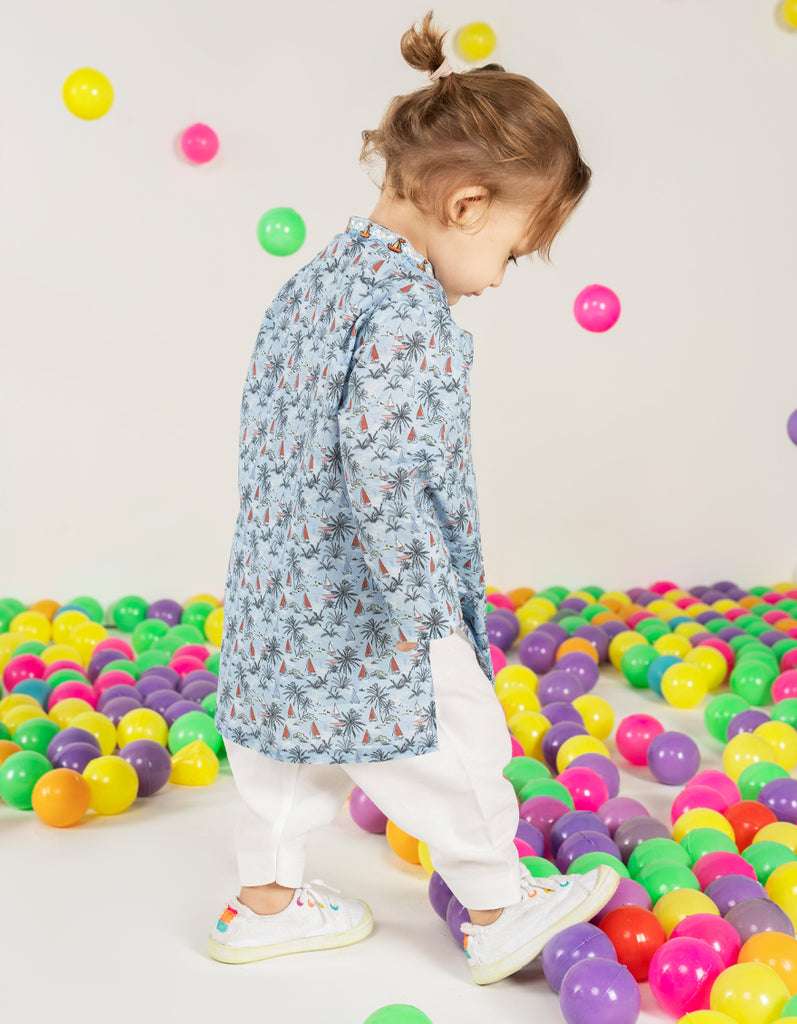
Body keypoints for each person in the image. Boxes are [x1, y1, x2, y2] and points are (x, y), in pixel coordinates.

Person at [208, 9, 619, 985]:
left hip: (275, 584)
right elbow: (381, 462)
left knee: (281, 742)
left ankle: (265, 904)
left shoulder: (314, 284)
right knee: (456, 735)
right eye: (514, 252)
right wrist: (421, 609)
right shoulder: (407, 308)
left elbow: (269, 426)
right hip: (376, 593)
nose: (501, 279)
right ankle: (498, 906)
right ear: (467, 206)